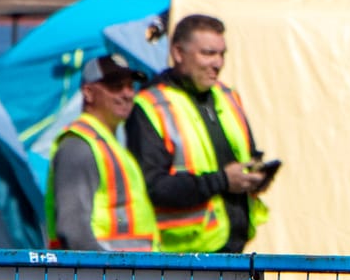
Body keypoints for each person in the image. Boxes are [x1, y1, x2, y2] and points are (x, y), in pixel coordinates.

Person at [128, 14, 275, 257]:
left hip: (236, 249)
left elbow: (248, 154)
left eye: (222, 54)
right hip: (180, 257)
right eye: (208, 53)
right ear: (178, 53)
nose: (218, 63)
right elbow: (152, 187)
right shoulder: (151, 105)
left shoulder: (228, 97)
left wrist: (256, 174)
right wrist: (223, 181)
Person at [46, 53, 157, 252]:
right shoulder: (78, 146)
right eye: (115, 86)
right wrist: (106, 272)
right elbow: (73, 231)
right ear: (88, 92)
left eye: (131, 86)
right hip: (101, 277)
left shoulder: (108, 144)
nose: (127, 94)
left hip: (123, 275)